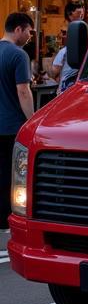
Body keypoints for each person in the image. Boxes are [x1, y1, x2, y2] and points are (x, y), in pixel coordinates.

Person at [1, 12, 35, 230]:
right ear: (19, 29)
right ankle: (5, 216)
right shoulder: (19, 55)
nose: (31, 36)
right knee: (10, 174)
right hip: (11, 125)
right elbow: (23, 91)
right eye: (30, 32)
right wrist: (33, 121)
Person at [49, 0, 85, 93]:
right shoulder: (66, 29)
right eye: (78, 13)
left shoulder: (83, 29)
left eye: (82, 13)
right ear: (70, 14)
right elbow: (55, 70)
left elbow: (54, 70)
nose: (81, 15)